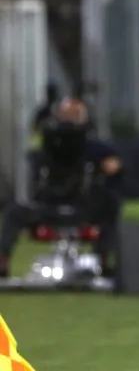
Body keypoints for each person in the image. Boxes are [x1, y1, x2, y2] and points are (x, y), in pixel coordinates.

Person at [0, 97, 122, 278]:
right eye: (67, 115)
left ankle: (101, 259)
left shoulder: (95, 148)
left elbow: (115, 165)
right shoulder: (46, 147)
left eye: (74, 115)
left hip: (82, 208)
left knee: (111, 202)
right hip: (48, 208)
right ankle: (2, 263)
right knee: (14, 212)